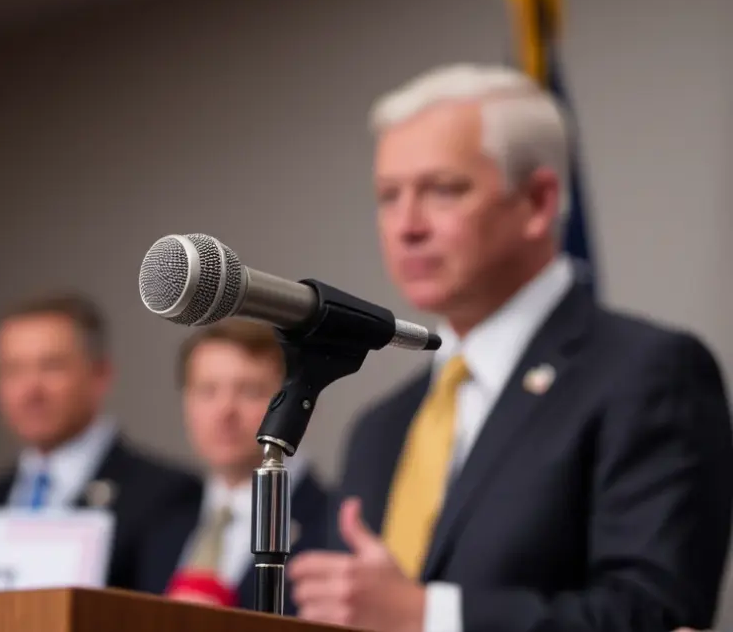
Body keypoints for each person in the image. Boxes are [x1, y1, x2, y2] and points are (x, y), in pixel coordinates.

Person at [287, 63, 733, 632]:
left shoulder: (649, 372)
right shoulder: (378, 428)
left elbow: (654, 612)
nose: (406, 225)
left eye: (442, 190)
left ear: (539, 202)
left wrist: (430, 616)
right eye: (388, 196)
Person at [0, 292, 202, 590]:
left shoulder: (167, 497)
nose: (30, 390)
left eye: (51, 366)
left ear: (100, 374)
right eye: (13, 370)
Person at [136, 320, 341, 613]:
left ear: (299, 406)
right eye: (207, 390)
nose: (225, 411)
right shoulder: (161, 521)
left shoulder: (332, 527)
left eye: (250, 391)